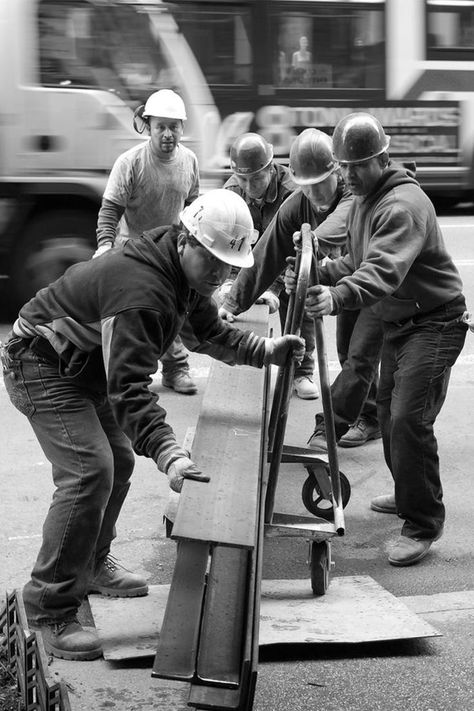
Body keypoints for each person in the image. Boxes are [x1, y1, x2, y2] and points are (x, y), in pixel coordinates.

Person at [1, 189, 304, 661]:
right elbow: (129, 390)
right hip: (39, 365)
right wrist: (170, 454)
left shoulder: (183, 272)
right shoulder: (141, 291)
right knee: (89, 472)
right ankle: (49, 609)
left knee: (118, 460)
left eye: (230, 267)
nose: (223, 277)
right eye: (216, 264)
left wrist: (264, 351)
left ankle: (92, 566)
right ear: (188, 241)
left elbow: (207, 332)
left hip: (79, 366)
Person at [286, 112, 468, 566]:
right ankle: (410, 493)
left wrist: (337, 296)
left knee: (408, 417)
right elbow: (356, 259)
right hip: (401, 323)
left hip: (435, 323)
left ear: (382, 158)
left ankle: (422, 523)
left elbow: (383, 270)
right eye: (343, 166)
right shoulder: (365, 199)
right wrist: (323, 272)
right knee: (387, 414)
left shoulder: (401, 206)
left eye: (356, 166)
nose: (347, 175)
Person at [219, 128, 353, 399]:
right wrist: (232, 302)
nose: (312, 192)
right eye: (306, 184)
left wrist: (311, 244)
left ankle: (354, 409)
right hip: (331, 273)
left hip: (370, 276)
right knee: (349, 349)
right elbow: (266, 254)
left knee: (359, 350)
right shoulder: (297, 203)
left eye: (319, 183)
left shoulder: (353, 195)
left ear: (336, 173)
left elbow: (341, 225)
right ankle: (307, 375)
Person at [94, 88, 199, 395]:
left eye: (173, 127)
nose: (167, 134)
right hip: (134, 250)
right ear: (149, 127)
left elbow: (192, 208)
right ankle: (123, 377)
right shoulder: (130, 162)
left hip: (170, 249)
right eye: (160, 127)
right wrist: (104, 245)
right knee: (133, 315)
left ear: (182, 127)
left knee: (172, 310)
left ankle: (175, 368)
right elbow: (110, 210)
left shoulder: (189, 161)